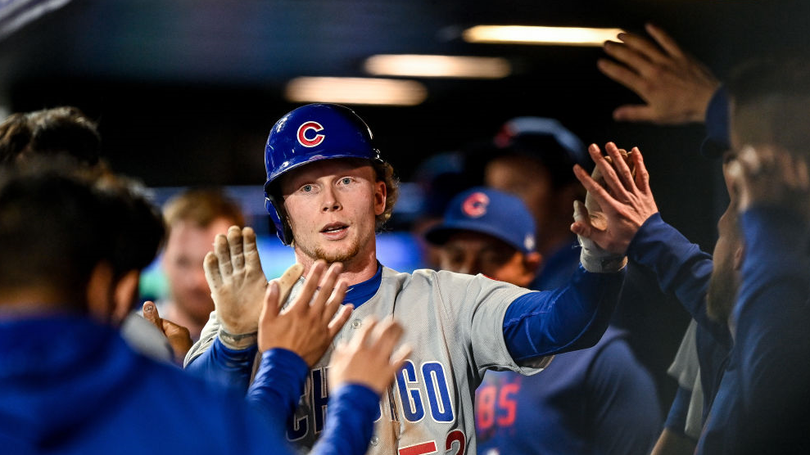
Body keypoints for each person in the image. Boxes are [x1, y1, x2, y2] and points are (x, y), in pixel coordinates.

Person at [184, 103, 634, 454]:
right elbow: (198, 431)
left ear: (379, 195)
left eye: (346, 180)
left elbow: (564, 322)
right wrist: (236, 341)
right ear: (282, 215)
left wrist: (599, 260)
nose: (329, 202)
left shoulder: (446, 299)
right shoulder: (247, 318)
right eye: (306, 188)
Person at [0, 161, 408, 455]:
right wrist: (348, 395)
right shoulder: (173, 399)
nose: (199, 280)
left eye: (214, 260)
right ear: (109, 286)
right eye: (183, 262)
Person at [425, 186, 661, 455]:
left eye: (493, 258)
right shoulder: (415, 354)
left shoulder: (597, 357)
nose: (469, 274)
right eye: (456, 258)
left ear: (530, 268)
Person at [484, 116, 591, 290]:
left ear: (567, 194)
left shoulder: (592, 279)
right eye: (493, 190)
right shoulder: (506, 272)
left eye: (516, 188)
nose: (498, 203)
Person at [159, 187, 246, 340]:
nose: (195, 281)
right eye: (182, 262)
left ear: (240, 260)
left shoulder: (267, 342)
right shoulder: (131, 340)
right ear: (162, 258)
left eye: (213, 264)